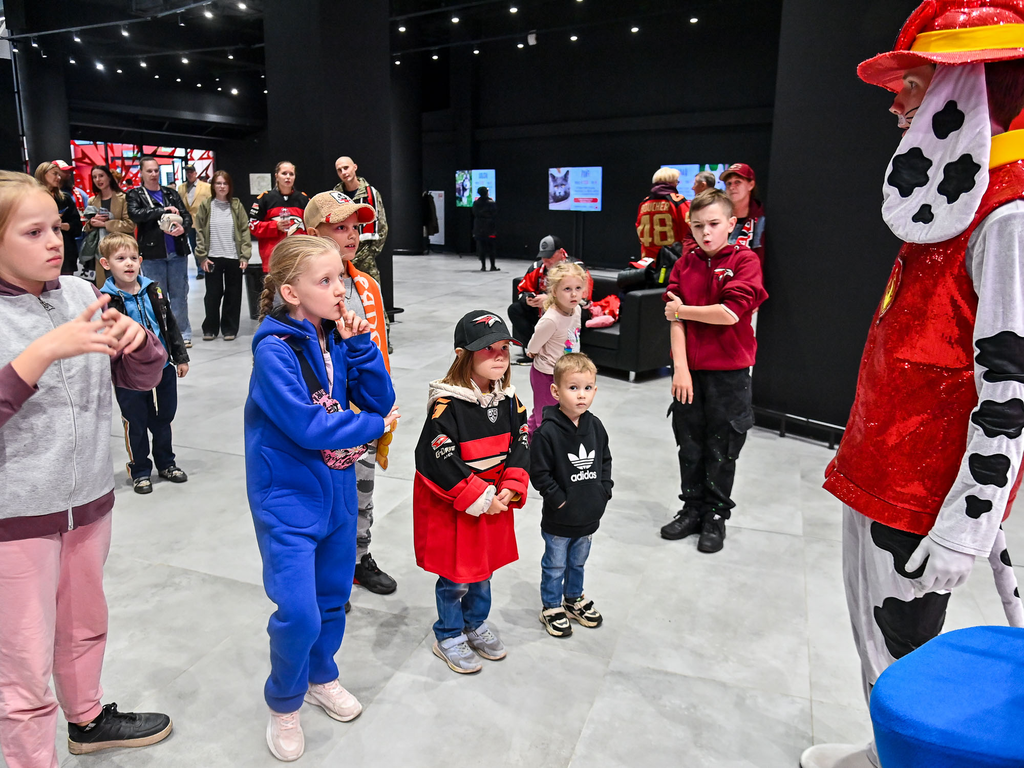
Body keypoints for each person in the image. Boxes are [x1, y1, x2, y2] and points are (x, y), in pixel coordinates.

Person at [802, 3, 1024, 767]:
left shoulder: (1009, 216)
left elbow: (1010, 389)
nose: (897, 101)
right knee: (870, 632)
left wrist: (969, 520)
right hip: (880, 468)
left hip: (922, 494)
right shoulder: (959, 208)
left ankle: (898, 753)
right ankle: (880, 749)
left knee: (903, 648)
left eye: (916, 84)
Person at [0, 170, 172, 768]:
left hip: (89, 500)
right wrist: (41, 352)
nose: (53, 241)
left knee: (83, 626)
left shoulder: (78, 292)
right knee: (21, 664)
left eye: (57, 226)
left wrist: (140, 343)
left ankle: (89, 720)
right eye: (33, 231)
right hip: (16, 519)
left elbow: (139, 379)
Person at [245, 235, 397, 762]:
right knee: (299, 612)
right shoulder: (273, 350)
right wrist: (375, 425)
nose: (340, 291)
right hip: (286, 499)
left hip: (336, 494)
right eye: (325, 281)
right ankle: (284, 702)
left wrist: (361, 346)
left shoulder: (335, 339)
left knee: (333, 599)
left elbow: (381, 397)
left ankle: (321, 674)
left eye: (341, 278)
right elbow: (309, 425)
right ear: (291, 291)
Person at [413, 310, 530, 674]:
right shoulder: (446, 406)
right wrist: (481, 497)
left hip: (495, 500)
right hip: (458, 504)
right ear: (463, 354)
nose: (499, 356)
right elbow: (438, 458)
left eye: (504, 349)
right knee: (456, 576)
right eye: (487, 349)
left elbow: (522, 443)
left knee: (483, 570)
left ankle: (475, 623)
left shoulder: (510, 400)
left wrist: (510, 488)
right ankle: (448, 633)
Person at [660, 189, 767, 553]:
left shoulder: (745, 260)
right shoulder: (684, 263)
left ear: (731, 224)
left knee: (722, 449)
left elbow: (729, 313)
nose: (706, 233)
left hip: (729, 375)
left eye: (714, 225)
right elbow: (674, 322)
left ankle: (716, 516)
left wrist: (682, 311)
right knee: (689, 445)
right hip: (690, 373)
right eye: (698, 226)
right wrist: (680, 369)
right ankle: (691, 509)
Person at [305, 190, 398, 595]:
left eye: (355, 227)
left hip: (365, 415)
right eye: (339, 227)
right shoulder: (301, 292)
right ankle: (329, 573)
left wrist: (384, 402)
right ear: (313, 233)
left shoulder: (367, 285)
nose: (352, 235)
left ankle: (359, 558)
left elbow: (377, 347)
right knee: (324, 501)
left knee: (362, 494)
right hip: (327, 423)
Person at [99, 233, 190, 494]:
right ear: (106, 264)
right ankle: (140, 470)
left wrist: (180, 357)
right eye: (120, 259)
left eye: (132, 258)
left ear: (140, 261)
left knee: (164, 417)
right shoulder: (105, 300)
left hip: (162, 369)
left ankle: (166, 462)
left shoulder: (154, 290)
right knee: (135, 422)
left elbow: (169, 324)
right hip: (128, 375)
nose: (128, 264)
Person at [530, 353, 612, 638]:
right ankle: (552, 606)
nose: (581, 396)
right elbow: (539, 473)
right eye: (573, 388)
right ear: (556, 391)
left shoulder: (596, 426)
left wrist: (604, 491)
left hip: (589, 514)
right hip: (559, 519)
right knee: (554, 564)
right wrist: (559, 500)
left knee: (578, 562)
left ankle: (574, 598)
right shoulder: (547, 433)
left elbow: (604, 461)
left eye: (587, 388)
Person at [126, 156, 193, 347]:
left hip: (177, 253)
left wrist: (183, 228)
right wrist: (161, 211)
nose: (154, 174)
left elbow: (186, 216)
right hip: (152, 255)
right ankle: (163, 334)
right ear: (141, 173)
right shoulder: (135, 194)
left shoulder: (170, 193)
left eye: (156, 170)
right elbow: (135, 214)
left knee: (180, 294)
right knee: (157, 296)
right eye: (149, 171)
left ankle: (182, 333)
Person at [525, 261, 586, 436]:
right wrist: (533, 352)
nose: (574, 294)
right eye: (567, 289)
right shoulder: (551, 320)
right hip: (546, 374)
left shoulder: (577, 310)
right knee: (544, 416)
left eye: (578, 288)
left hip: (566, 372)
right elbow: (533, 345)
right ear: (554, 291)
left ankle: (531, 437)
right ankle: (535, 448)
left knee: (561, 412)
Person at [507, 235, 591, 352]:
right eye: (543, 256)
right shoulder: (537, 267)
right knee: (515, 309)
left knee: (580, 312)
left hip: (569, 309)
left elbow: (584, 299)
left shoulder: (577, 268)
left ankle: (561, 350)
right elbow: (522, 290)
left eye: (550, 256)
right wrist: (527, 299)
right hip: (541, 311)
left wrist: (550, 301)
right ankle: (534, 349)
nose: (546, 260)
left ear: (561, 252)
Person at [195, 170, 251, 341]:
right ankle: (210, 328)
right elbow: (199, 231)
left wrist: (244, 255)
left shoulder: (236, 205)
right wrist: (202, 257)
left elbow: (244, 229)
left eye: (225, 183)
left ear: (229, 186)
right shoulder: (206, 205)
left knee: (233, 295)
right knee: (212, 294)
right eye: (218, 183)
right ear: (213, 186)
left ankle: (229, 329)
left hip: (233, 257)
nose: (221, 186)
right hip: (212, 257)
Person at [249, 161, 309, 280]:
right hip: (273, 259)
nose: (288, 177)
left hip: (298, 259)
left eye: (291, 174)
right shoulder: (265, 199)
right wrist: (274, 226)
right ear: (276, 176)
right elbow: (252, 225)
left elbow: (312, 227)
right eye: (284, 173)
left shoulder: (303, 199)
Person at [333, 156, 388, 285]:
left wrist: (370, 253)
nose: (344, 173)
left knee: (372, 297)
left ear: (355, 167)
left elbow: (382, 226)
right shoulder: (336, 194)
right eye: (339, 170)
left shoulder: (371, 194)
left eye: (346, 168)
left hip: (366, 258)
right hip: (342, 258)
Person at [84, 165, 134, 287]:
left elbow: (130, 225)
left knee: (124, 286)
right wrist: (91, 223)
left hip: (121, 248)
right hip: (101, 250)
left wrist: (105, 224)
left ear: (109, 177)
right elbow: (86, 228)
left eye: (101, 176)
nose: (98, 180)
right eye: (94, 177)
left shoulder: (124, 198)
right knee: (105, 287)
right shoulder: (92, 201)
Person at [33, 162, 82, 276]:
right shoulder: (33, 199)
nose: (58, 178)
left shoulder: (65, 199)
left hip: (66, 250)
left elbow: (77, 226)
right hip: (41, 249)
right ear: (43, 174)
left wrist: (64, 226)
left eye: (59, 175)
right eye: (55, 174)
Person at [635, 167, 690, 263]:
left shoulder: (644, 202)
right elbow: (688, 229)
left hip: (648, 261)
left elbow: (638, 228)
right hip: (672, 260)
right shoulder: (677, 201)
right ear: (672, 183)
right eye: (677, 182)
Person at [719, 163, 766, 269]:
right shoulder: (719, 216)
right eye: (728, 183)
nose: (732, 187)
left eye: (737, 182)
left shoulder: (761, 219)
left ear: (751, 185)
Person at [177, 163, 211, 261]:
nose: (189, 174)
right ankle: (200, 269)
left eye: (191, 172)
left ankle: (206, 265)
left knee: (204, 245)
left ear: (196, 173)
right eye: (187, 172)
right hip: (189, 222)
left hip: (203, 221)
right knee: (194, 245)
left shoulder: (206, 187)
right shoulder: (181, 188)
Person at [472, 186, 499, 272]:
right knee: (491, 247)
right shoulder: (491, 203)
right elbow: (495, 214)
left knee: (481, 247)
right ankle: (492, 266)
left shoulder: (476, 203)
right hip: (490, 228)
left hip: (479, 228)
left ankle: (483, 266)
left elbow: (474, 213)